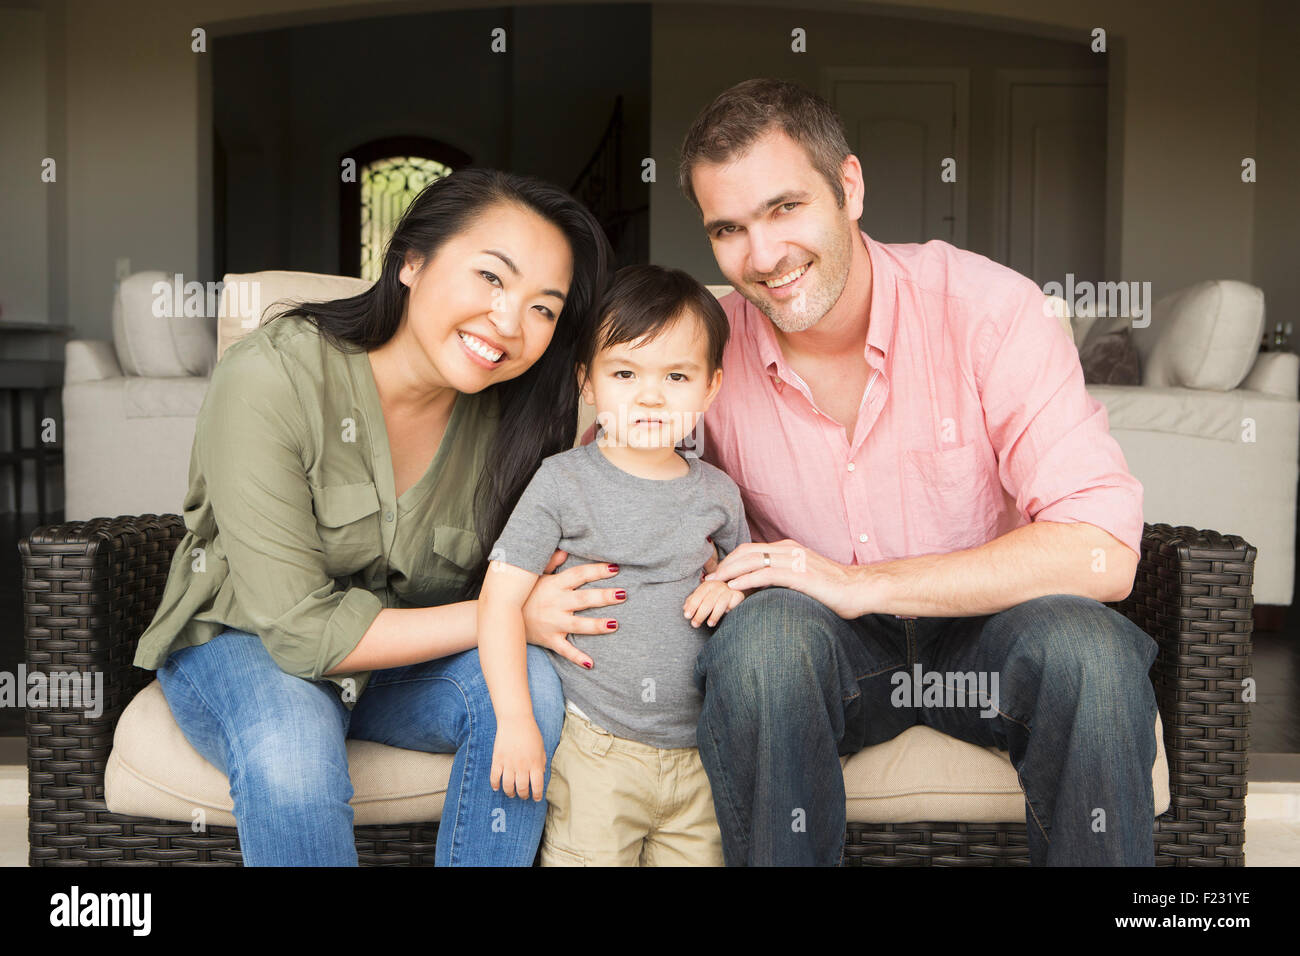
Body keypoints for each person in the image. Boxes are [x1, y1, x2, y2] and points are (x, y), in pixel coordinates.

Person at [678, 78, 1156, 865]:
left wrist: (865, 581)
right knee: (762, 643)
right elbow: (622, 468)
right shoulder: (703, 348)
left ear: (850, 188)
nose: (762, 258)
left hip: (989, 632)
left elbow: (1104, 551)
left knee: (1092, 652)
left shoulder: (992, 310)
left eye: (785, 208)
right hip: (819, 647)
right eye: (728, 229)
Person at [133, 168, 622, 866]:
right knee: (293, 748)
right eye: (491, 277)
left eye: (544, 308)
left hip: (404, 661)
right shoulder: (270, 378)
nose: (510, 323)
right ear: (411, 262)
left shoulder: (522, 417)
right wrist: (504, 614)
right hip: (251, 642)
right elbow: (302, 633)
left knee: (530, 688)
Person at [478, 265, 751, 866]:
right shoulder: (562, 483)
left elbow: (743, 589)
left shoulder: (718, 494)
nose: (650, 395)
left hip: (699, 756)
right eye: (625, 373)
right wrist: (517, 720)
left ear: (710, 388)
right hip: (594, 744)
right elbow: (498, 601)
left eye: (676, 375)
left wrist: (731, 594)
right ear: (589, 383)